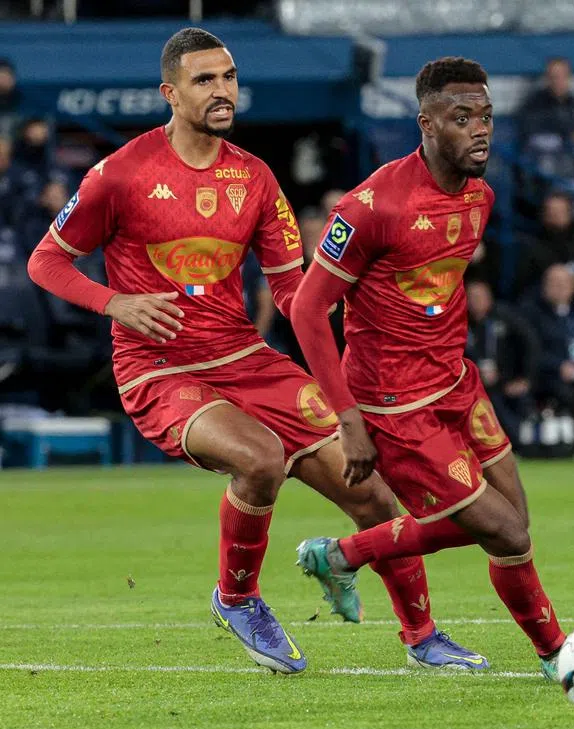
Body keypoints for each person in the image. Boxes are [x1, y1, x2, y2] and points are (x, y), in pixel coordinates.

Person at [24, 28, 480, 675]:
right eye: (204, 80)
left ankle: (424, 637)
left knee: (374, 493)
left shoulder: (256, 177)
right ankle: (236, 597)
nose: (221, 90)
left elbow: (295, 297)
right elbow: (46, 262)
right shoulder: (119, 174)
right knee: (261, 458)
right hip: (159, 368)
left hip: (245, 359)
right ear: (170, 93)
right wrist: (114, 303)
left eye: (229, 77)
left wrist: (354, 373)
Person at [288, 58, 568, 677]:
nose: (480, 130)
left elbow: (435, 294)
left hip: (457, 384)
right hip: (395, 406)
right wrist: (349, 418)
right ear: (427, 124)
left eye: (487, 116)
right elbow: (308, 310)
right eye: (462, 117)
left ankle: (342, 554)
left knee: (514, 525)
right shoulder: (371, 207)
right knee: (507, 533)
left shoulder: (481, 197)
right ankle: (560, 655)